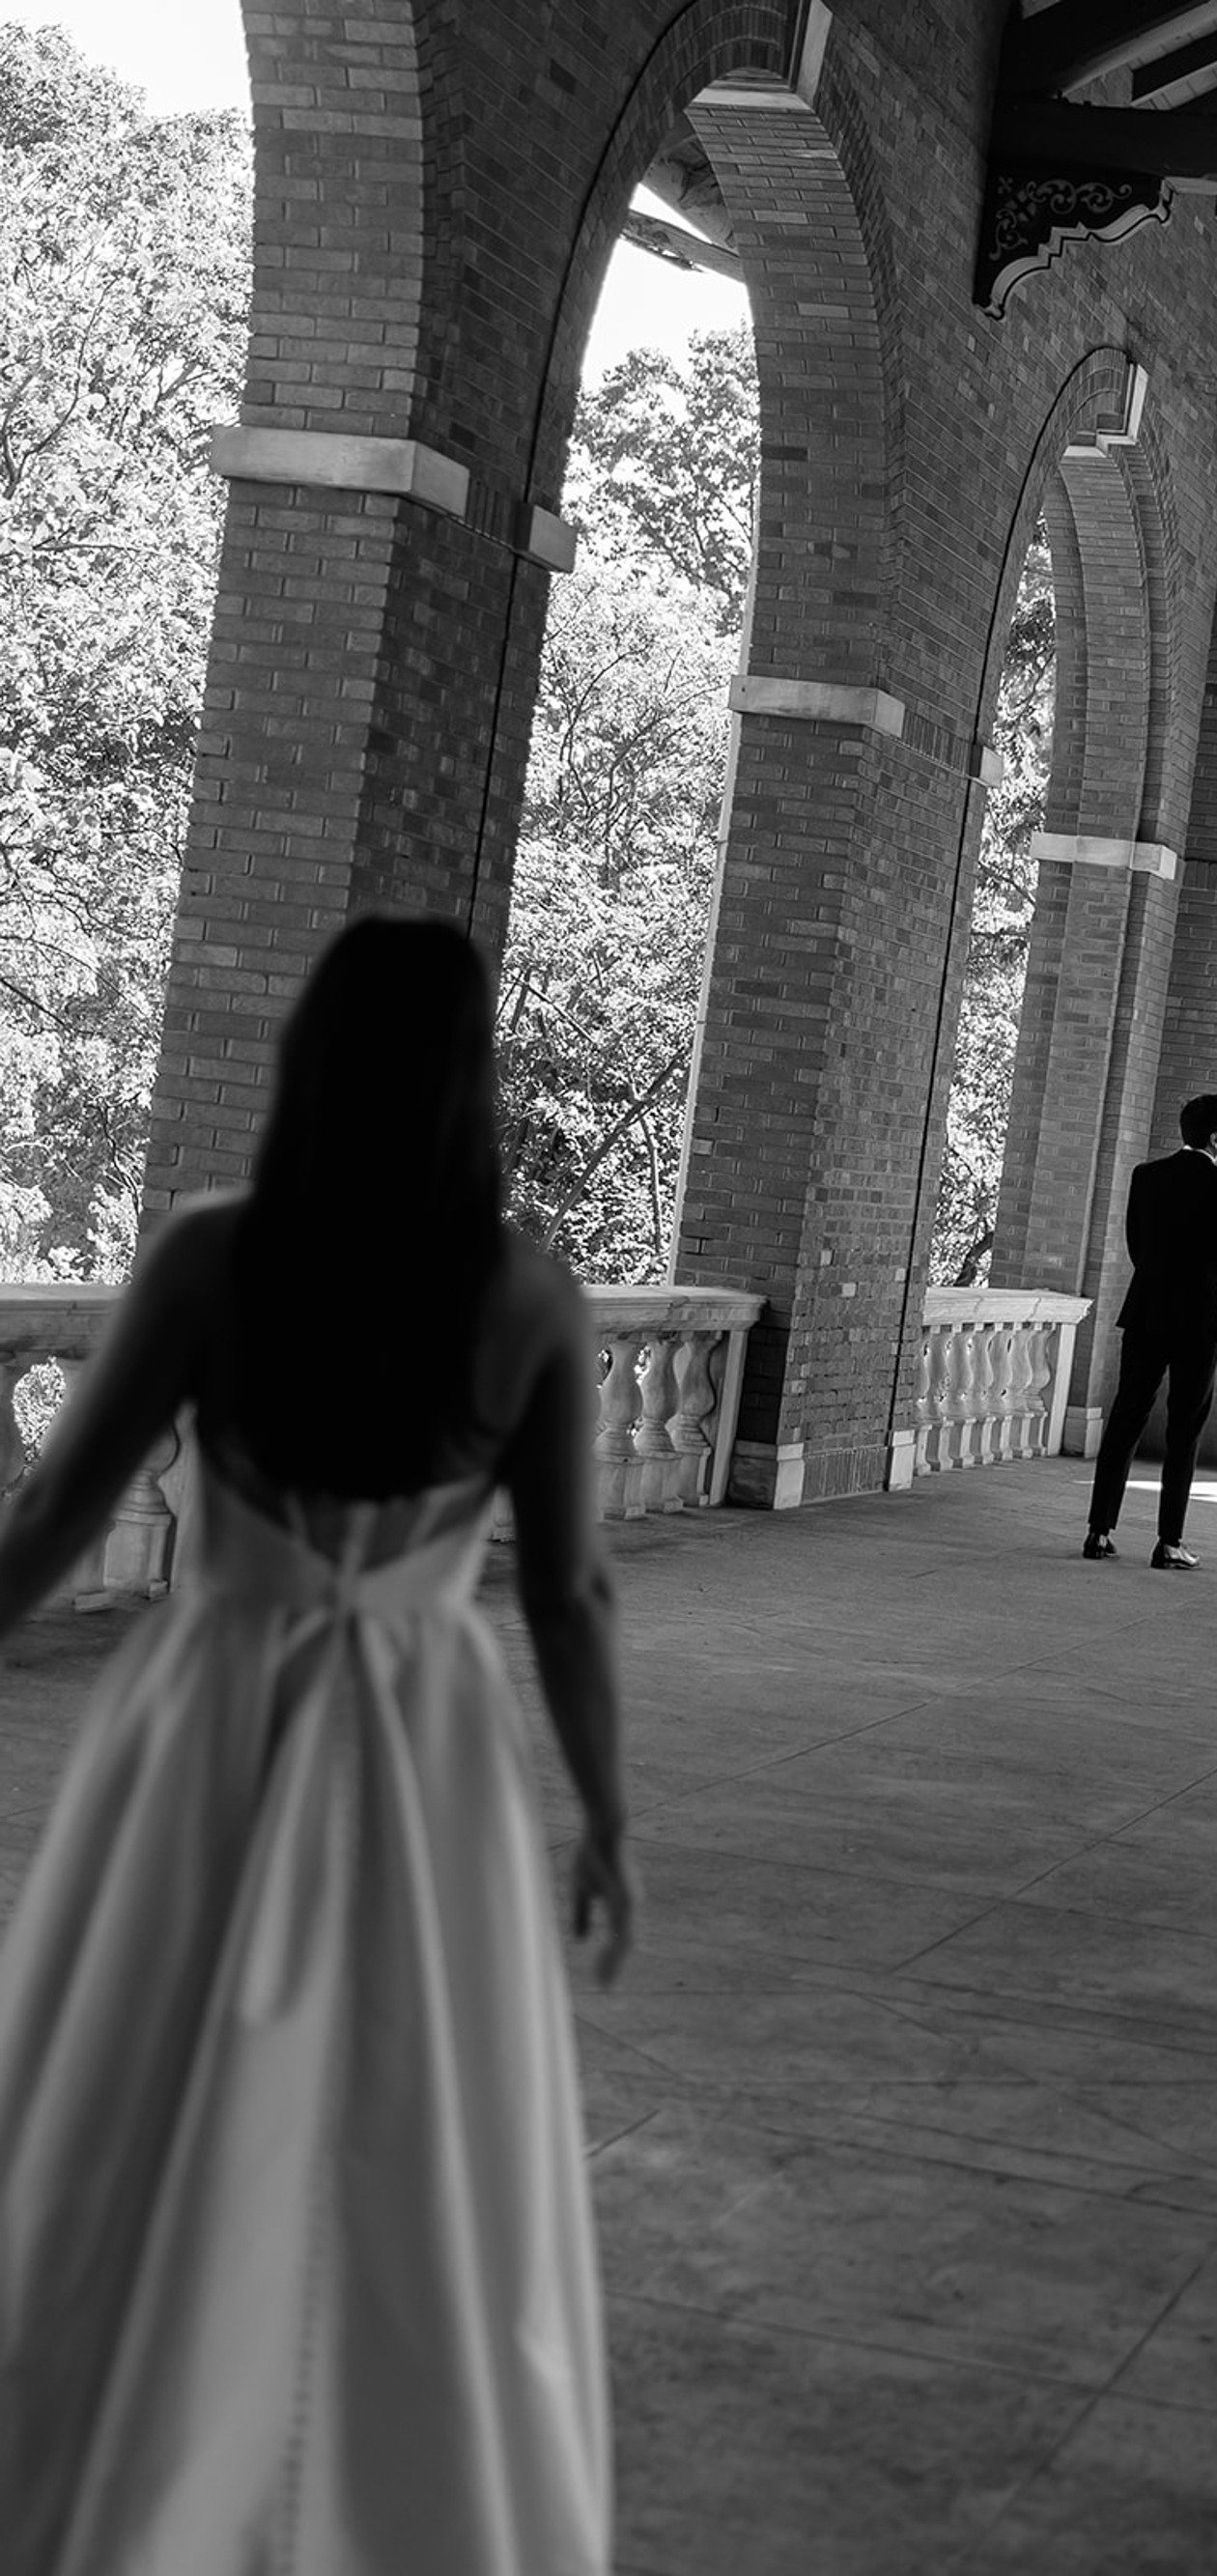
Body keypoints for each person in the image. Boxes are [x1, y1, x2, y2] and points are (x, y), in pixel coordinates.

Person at [0, 916, 632, 2576]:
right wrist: (608, 1821)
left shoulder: (212, 1257)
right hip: (424, 1743)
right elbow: (565, 1598)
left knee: (138, 2059)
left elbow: (61, 1507)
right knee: (419, 2109)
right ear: (471, 1088)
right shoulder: (527, 1300)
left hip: (206, 1706)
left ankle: (120, 2466)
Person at [1084, 1091, 1217, 1571]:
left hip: (1147, 1311)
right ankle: (1169, 1543)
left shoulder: (1145, 1177)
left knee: (1125, 1420)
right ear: (1215, 1138)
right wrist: (1206, 1292)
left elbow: (1137, 1244)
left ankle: (1099, 1532)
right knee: (1184, 1430)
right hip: (1199, 1319)